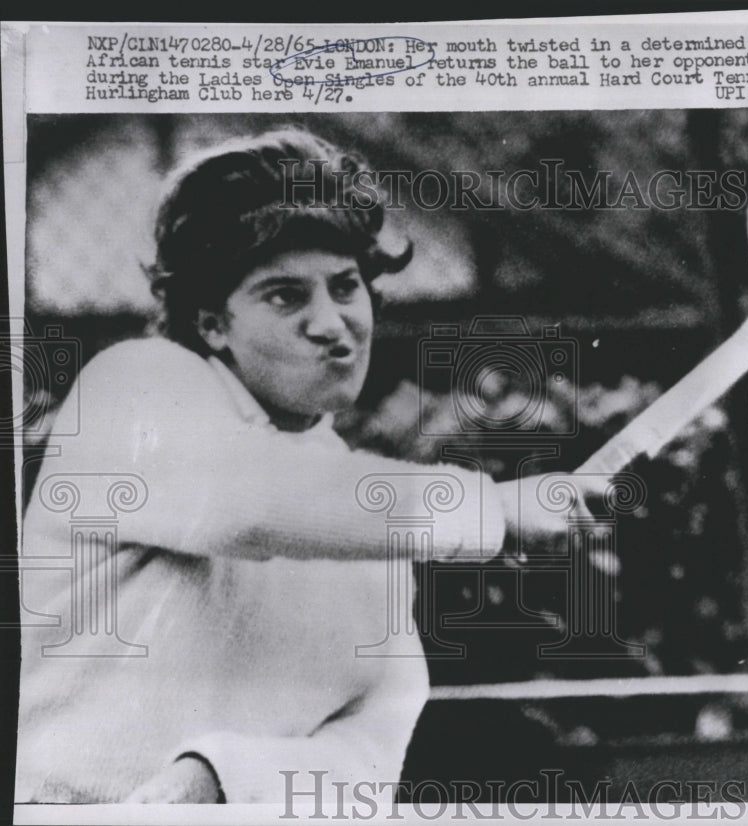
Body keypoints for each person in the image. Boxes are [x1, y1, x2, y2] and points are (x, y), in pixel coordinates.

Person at [15, 128, 607, 805]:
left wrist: (218, 776)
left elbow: (371, 751)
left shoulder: (365, 517)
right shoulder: (133, 386)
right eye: (284, 295)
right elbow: (245, 503)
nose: (332, 324)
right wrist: (492, 506)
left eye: (345, 286)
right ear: (212, 323)